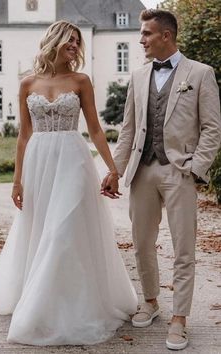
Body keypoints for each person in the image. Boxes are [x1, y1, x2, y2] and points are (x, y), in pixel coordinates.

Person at [0, 20, 138, 346]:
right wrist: (16, 180)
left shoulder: (81, 80)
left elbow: (96, 129)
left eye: (77, 42)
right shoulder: (27, 83)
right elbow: (24, 135)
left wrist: (113, 169)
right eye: (70, 41)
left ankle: (64, 308)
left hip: (72, 159)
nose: (75, 47)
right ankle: (47, 300)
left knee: (63, 229)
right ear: (54, 41)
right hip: (40, 162)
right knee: (42, 228)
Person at [102, 9, 221, 351]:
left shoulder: (200, 73)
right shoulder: (137, 77)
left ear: (165, 36)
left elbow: (212, 128)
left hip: (180, 171)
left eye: (146, 34)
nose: (141, 40)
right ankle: (151, 301)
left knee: (183, 248)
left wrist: (196, 168)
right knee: (141, 243)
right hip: (142, 170)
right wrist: (115, 170)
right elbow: (127, 130)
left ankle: (180, 319)